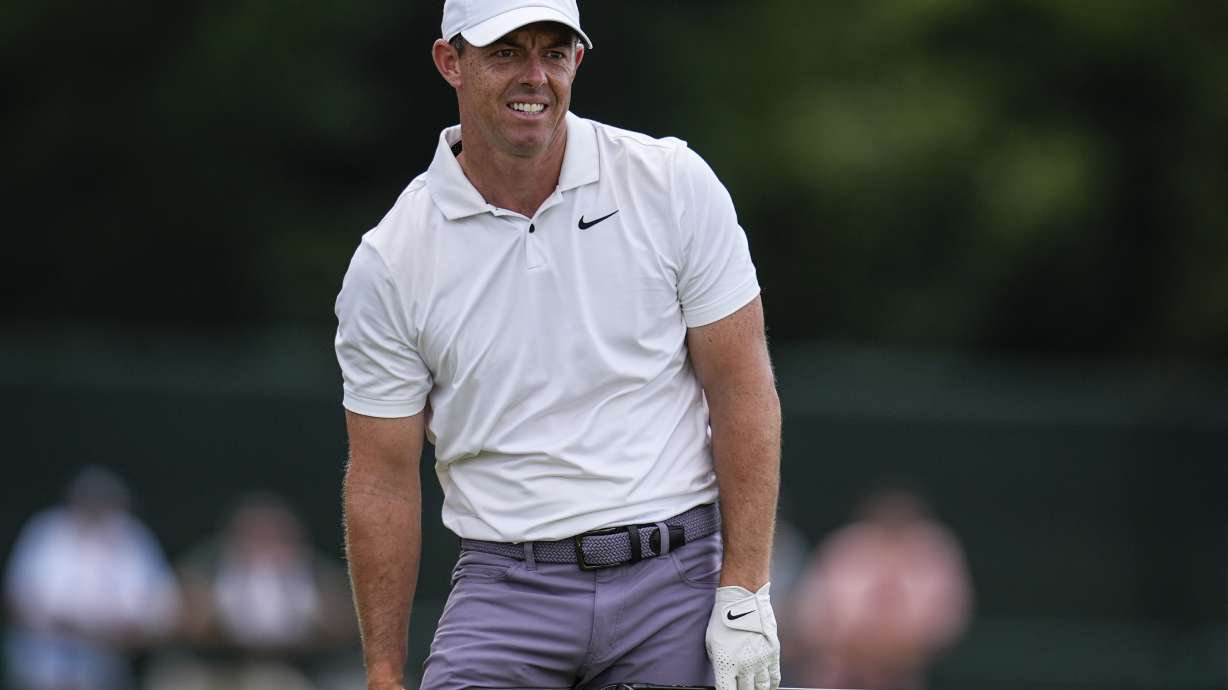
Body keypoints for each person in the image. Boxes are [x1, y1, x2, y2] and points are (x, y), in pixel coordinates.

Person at [333, 2, 781, 689]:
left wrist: (745, 593)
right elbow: (381, 477)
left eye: (554, 51)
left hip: (674, 578)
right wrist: (385, 676)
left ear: (577, 60)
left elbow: (742, 388)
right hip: (505, 588)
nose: (535, 76)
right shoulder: (393, 260)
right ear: (450, 62)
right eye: (506, 53)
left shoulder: (671, 183)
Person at [4, 466, 180, 690]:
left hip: (107, 669)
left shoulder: (132, 537)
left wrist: (124, 628)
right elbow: (17, 597)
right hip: (40, 666)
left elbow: (160, 606)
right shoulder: (46, 530)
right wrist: (66, 623)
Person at [790, 488, 972, 690]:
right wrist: (853, 647)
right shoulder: (845, 546)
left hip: (910, 668)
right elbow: (810, 613)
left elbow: (950, 615)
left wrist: (900, 649)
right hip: (838, 668)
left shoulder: (934, 548)